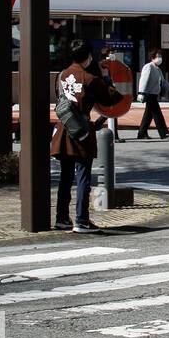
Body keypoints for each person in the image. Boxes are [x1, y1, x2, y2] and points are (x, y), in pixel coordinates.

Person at [51, 39, 122, 232]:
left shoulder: (62, 75)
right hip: (81, 132)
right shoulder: (90, 79)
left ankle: (62, 218)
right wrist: (107, 79)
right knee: (82, 176)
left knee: (65, 177)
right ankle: (81, 220)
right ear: (89, 57)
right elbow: (111, 98)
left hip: (64, 128)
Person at [135, 48, 169, 140]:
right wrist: (141, 93)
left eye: (160, 56)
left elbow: (163, 82)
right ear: (152, 58)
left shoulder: (157, 69)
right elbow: (143, 80)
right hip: (148, 94)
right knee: (157, 113)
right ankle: (164, 132)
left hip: (153, 94)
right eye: (157, 56)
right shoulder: (148, 67)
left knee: (148, 115)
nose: (159, 58)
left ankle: (142, 133)